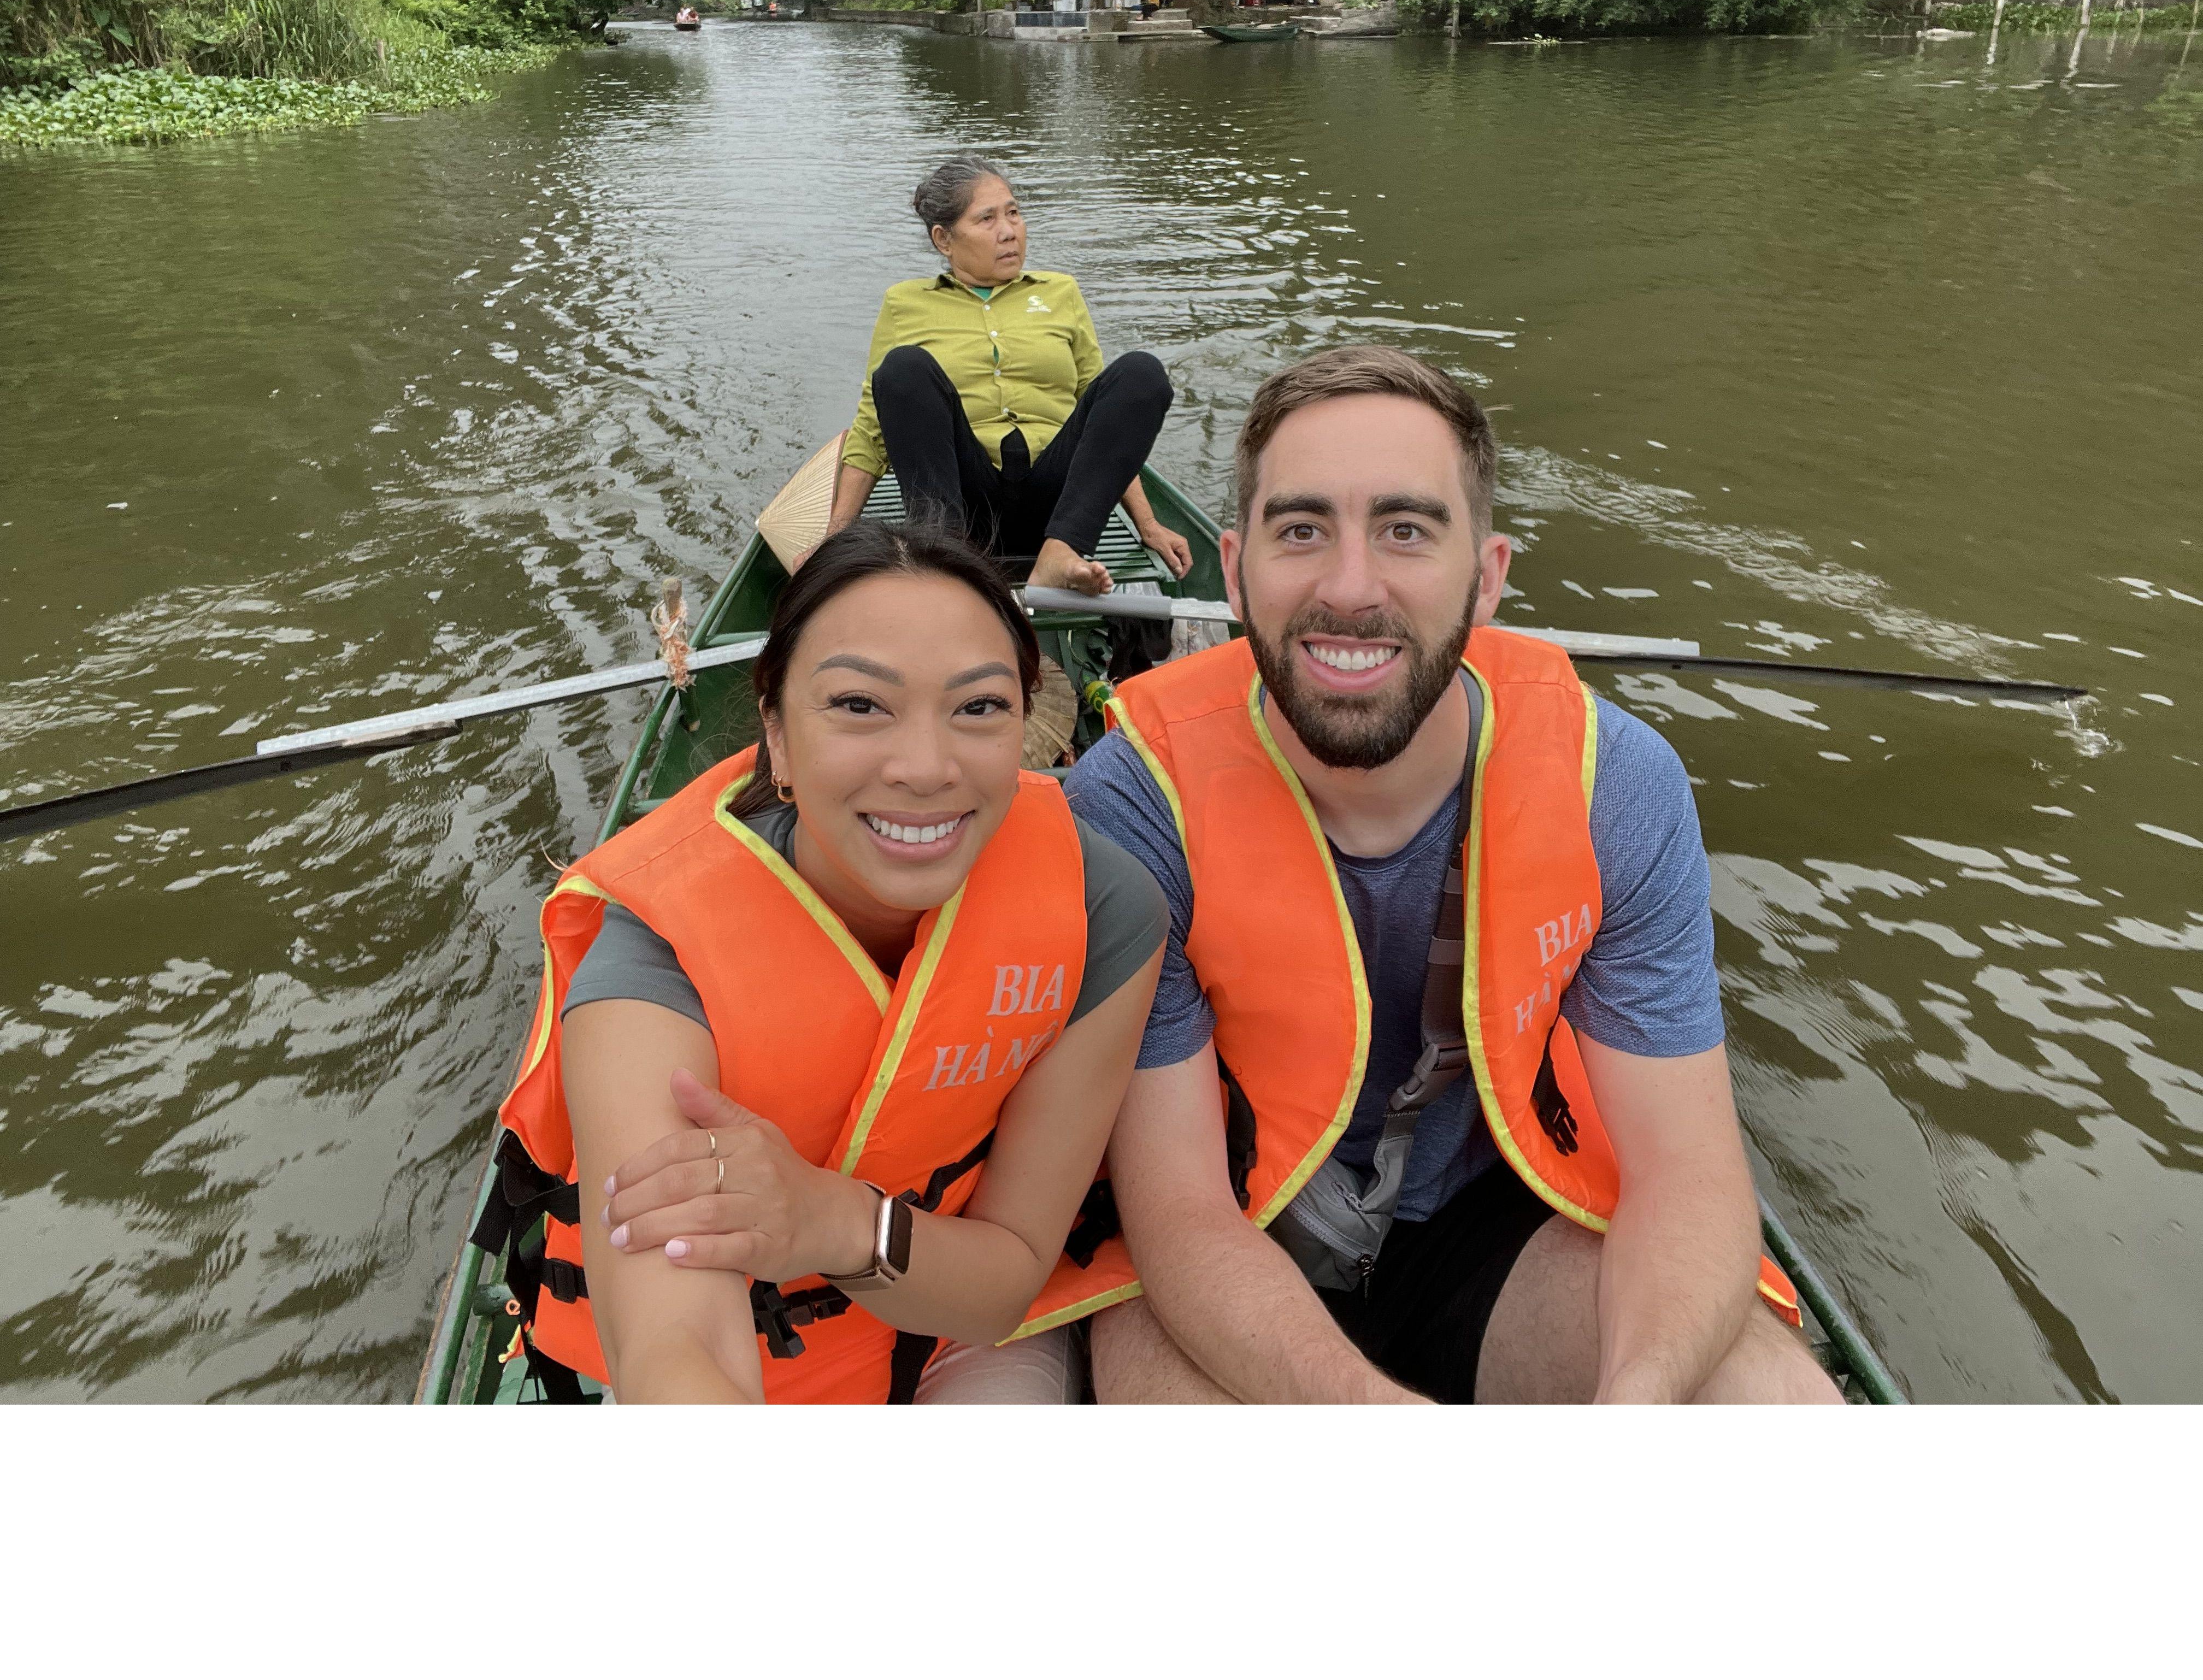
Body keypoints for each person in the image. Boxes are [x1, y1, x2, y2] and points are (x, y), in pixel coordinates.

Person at [1066, 345, 1841, 1404]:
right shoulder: (1128, 805)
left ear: (1489, 575)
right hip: (1229, 1236)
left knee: (1765, 1396)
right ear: (1235, 571)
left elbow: (1688, 1174)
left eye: (1406, 531)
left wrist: (1640, 1400)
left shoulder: (1613, 782)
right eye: (1303, 531)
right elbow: (1181, 1212)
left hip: (1487, 1226)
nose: (1350, 588)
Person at [476, 518, 1165, 1402]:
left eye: (979, 706)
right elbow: (675, 1346)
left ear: (1025, 727)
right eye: (858, 705)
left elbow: (1002, 1284)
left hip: (948, 1316)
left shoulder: (1099, 909)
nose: (925, 766)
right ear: (777, 733)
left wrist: (830, 1223)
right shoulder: (659, 951)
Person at [822, 155, 1191, 598]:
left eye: (1013, 213)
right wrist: (836, 535)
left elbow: (1105, 421)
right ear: (944, 239)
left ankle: (1061, 553)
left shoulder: (1060, 292)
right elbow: (872, 429)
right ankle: (942, 557)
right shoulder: (905, 303)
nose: (1009, 231)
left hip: (1058, 503)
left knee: (1141, 375)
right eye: (987, 219)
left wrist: (1147, 524)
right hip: (962, 504)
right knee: (902, 369)